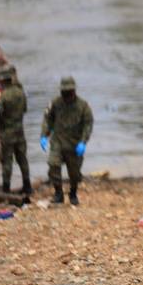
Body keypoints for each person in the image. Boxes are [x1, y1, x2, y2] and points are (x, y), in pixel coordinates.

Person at [40, 76, 93, 205]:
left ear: (74, 91)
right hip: (57, 141)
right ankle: (58, 193)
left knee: (74, 173)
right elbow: (47, 119)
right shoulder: (55, 103)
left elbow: (88, 124)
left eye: (68, 92)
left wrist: (83, 141)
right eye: (64, 92)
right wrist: (44, 135)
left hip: (74, 143)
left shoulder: (83, 106)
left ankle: (73, 193)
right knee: (53, 165)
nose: (66, 94)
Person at [0, 64, 32, 195]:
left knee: (7, 161)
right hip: (20, 131)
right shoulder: (21, 92)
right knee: (22, 159)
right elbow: (25, 110)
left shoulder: (3, 96)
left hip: (7, 133)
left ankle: (6, 187)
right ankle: (27, 185)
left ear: (2, 80)